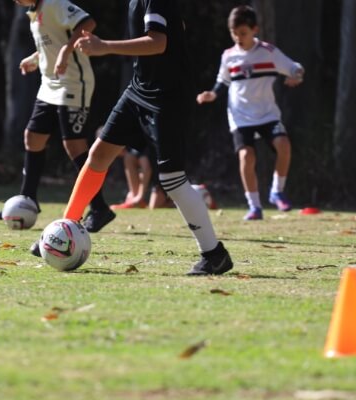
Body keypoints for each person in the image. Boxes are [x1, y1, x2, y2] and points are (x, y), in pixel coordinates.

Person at [34, 0, 233, 276]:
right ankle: (65, 230)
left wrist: (105, 46)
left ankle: (214, 255)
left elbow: (157, 42)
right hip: (139, 89)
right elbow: (176, 28)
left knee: (172, 180)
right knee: (99, 154)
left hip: (168, 97)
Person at [0, 0, 116, 233]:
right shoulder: (34, 11)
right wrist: (35, 57)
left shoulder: (53, 3)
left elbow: (88, 22)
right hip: (48, 85)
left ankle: (100, 208)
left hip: (72, 84)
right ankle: (27, 199)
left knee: (74, 146)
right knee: (33, 138)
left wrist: (66, 52)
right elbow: (52, 41)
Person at [197, 5, 304, 221]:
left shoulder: (269, 52)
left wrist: (297, 76)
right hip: (240, 115)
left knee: (284, 145)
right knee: (247, 156)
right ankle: (254, 206)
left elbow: (295, 67)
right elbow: (223, 80)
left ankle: (277, 191)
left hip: (267, 113)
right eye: (234, 33)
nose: (238, 38)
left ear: (255, 30)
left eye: (243, 33)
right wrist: (212, 94)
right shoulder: (228, 56)